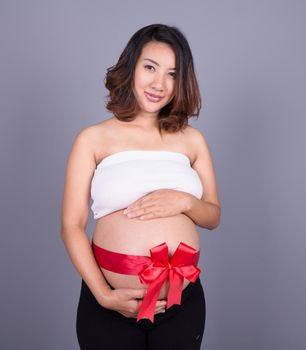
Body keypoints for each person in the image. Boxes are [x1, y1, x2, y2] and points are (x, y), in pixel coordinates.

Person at [60, 24, 221, 350]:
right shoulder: (92, 138)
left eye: (172, 74)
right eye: (150, 67)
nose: (159, 84)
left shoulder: (193, 140)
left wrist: (184, 202)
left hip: (180, 303)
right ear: (131, 67)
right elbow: (71, 226)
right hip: (109, 303)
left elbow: (213, 216)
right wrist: (104, 295)